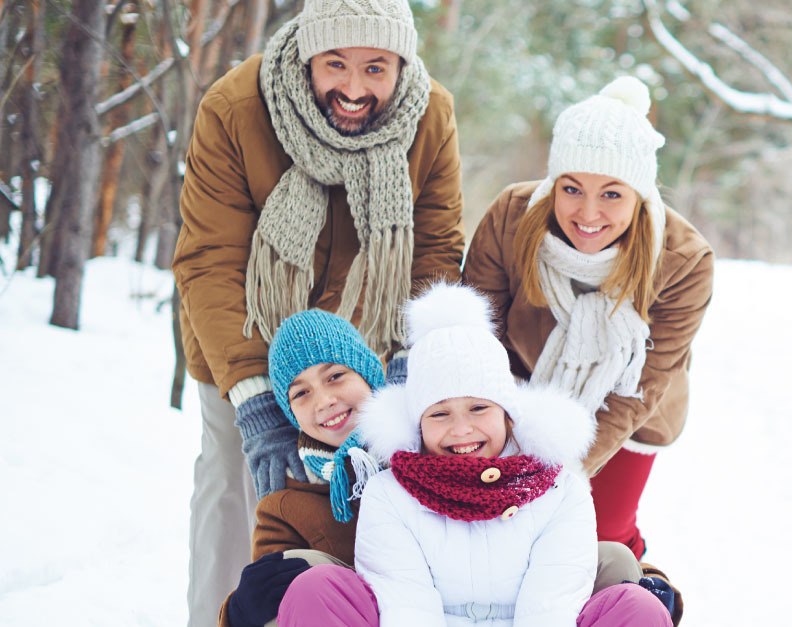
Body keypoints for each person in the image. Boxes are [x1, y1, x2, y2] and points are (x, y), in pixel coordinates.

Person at [171, 0, 466, 622]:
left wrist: (412, 363)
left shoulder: (430, 115)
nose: (354, 89)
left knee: (367, 500)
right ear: (309, 54)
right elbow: (209, 259)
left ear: (402, 63)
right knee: (237, 482)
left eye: (376, 68)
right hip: (244, 340)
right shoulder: (235, 108)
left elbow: (436, 246)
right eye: (336, 64)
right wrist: (255, 398)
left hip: (365, 350)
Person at [462, 76, 713, 624]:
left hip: (628, 410)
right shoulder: (510, 218)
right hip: (521, 388)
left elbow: (646, 384)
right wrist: (503, 441)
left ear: (641, 195)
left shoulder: (683, 259)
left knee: (598, 533)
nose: (588, 213)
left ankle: (640, 599)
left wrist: (563, 470)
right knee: (502, 528)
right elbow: (479, 342)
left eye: (612, 194)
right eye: (571, 188)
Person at [277, 283, 672, 625]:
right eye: (440, 414)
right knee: (317, 588)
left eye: (479, 408)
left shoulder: (560, 490)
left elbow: (551, 604)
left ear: (508, 414)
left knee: (638, 607)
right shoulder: (388, 493)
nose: (461, 429)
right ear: (417, 422)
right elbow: (405, 602)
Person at [218, 309, 386, 627]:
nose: (324, 401)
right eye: (302, 393)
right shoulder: (286, 506)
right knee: (300, 575)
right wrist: (241, 612)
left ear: (367, 372)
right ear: (291, 413)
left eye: (335, 376)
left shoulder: (424, 444)